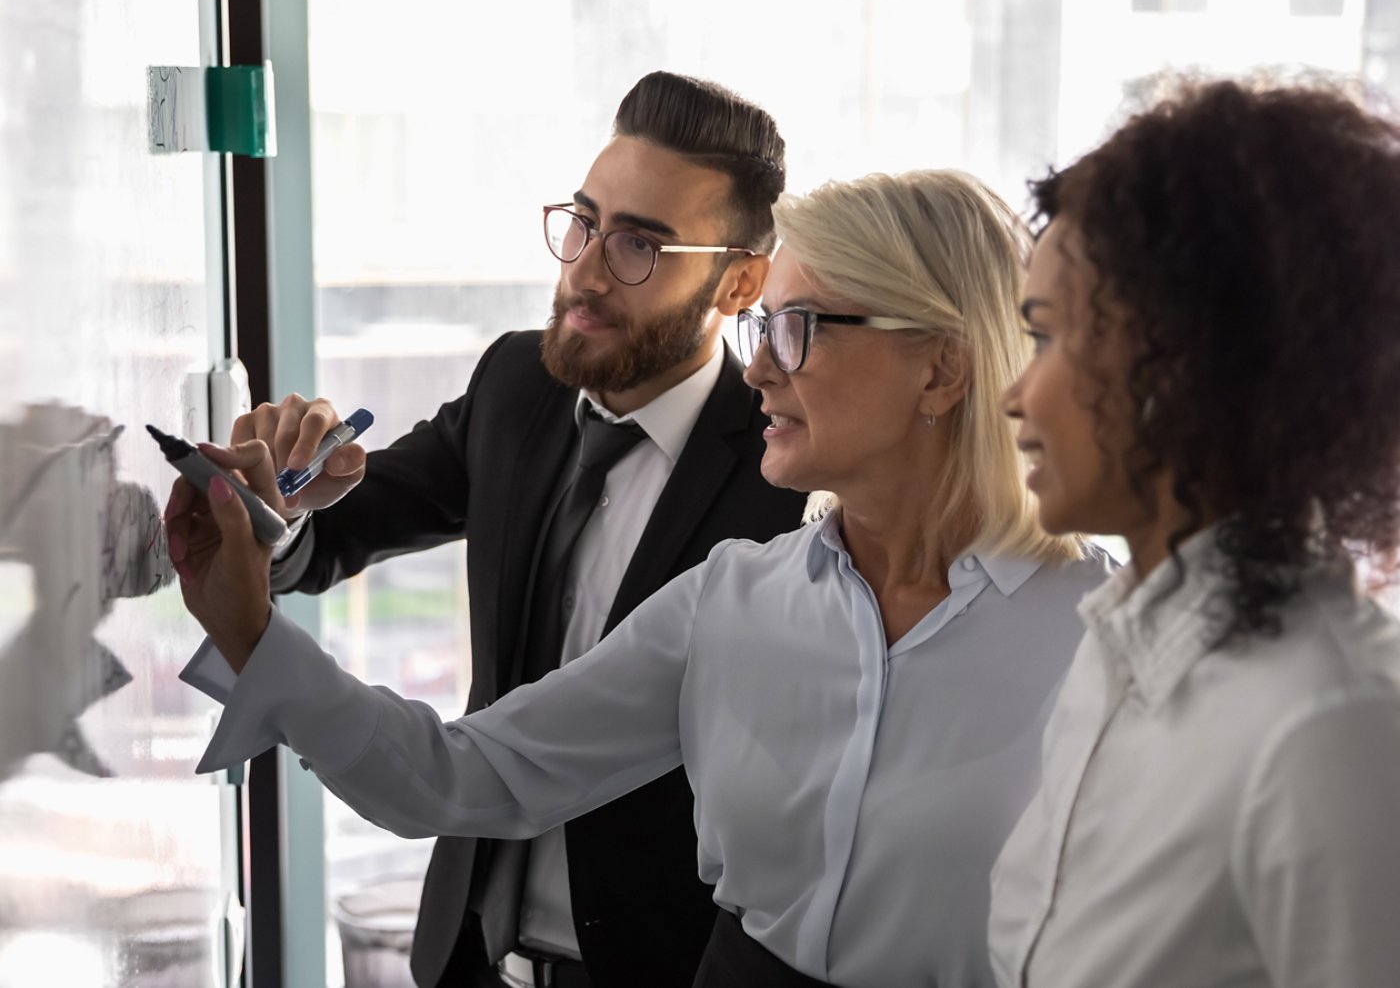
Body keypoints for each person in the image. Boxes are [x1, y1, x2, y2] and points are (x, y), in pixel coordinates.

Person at [166, 168, 1112, 986]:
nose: (758, 374)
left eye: (796, 330)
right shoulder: (731, 601)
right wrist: (253, 637)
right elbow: (462, 776)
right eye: (762, 331)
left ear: (942, 369)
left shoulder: (1105, 638)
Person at [226, 71, 808, 988]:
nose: (582, 267)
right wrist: (284, 504)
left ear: (738, 282)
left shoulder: (787, 483)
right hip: (467, 950)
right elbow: (342, 525)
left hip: (665, 967)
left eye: (638, 246)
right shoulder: (517, 388)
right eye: (582, 222)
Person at [992, 77, 1400, 987]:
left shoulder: (1330, 725)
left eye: (1048, 335)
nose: (1016, 395)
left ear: (1182, 360)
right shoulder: (1113, 648)